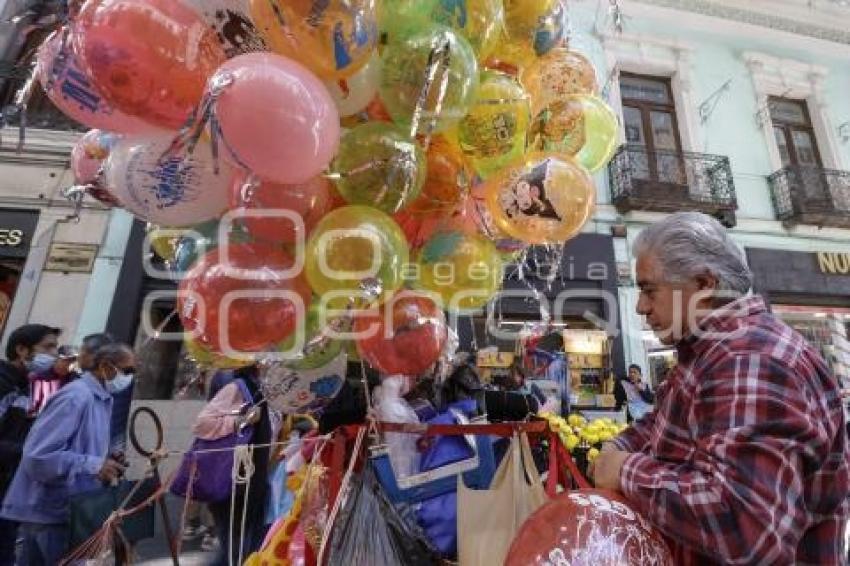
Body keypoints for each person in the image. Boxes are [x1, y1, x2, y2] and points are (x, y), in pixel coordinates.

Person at [590, 212, 850, 564]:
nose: (641, 307)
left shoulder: (746, 358)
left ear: (703, 284)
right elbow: (666, 420)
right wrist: (618, 446)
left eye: (649, 289)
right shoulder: (711, 352)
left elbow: (744, 527)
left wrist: (625, 471)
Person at [0, 344, 134, 566]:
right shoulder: (75, 397)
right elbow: (38, 456)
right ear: (104, 367)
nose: (129, 378)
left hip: (65, 508)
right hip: (53, 509)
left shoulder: (100, 399)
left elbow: (81, 446)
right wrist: (94, 465)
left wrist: (108, 458)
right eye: (126, 371)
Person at [193, 364, 271, 566]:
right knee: (234, 549)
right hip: (233, 482)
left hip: (251, 482)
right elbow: (202, 424)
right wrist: (240, 421)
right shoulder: (238, 386)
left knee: (241, 547)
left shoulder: (263, 390)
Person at [0, 324, 60, 566]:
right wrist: (27, 453)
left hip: (10, 485)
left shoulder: (32, 385)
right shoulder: (4, 384)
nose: (55, 353)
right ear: (22, 350)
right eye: (48, 347)